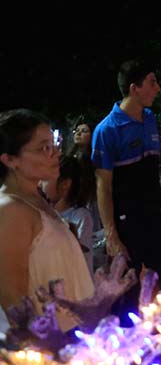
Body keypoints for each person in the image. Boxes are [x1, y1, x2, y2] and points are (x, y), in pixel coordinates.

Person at [92, 60, 161, 314]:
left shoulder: (150, 119)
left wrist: (160, 196)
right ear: (134, 88)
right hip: (128, 223)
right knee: (127, 293)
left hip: (156, 216)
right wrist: (111, 235)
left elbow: (150, 169)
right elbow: (103, 186)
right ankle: (124, 337)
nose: (158, 88)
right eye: (152, 83)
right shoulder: (106, 130)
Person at [0, 109, 94, 331]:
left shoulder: (37, 200)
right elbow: (13, 298)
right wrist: (48, 343)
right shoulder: (11, 209)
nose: (56, 153)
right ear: (10, 159)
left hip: (72, 336)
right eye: (44, 148)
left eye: (54, 144)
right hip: (49, 342)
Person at [42, 155, 95, 274]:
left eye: (45, 179)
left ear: (65, 184)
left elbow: (82, 261)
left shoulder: (81, 217)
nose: (40, 184)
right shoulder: (43, 213)